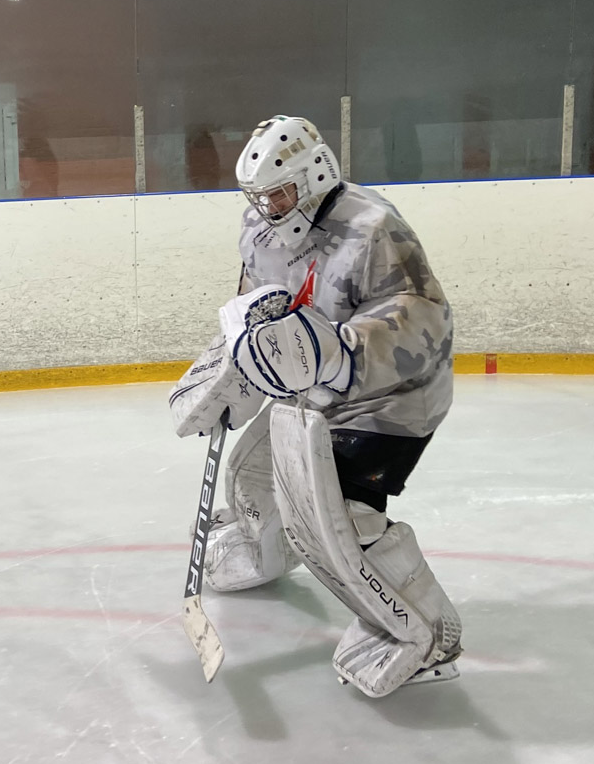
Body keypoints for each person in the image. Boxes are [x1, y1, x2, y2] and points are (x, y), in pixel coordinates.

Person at [169, 115, 462, 698]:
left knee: (341, 521)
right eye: (258, 196)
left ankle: (427, 635)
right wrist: (231, 380)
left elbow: (423, 319)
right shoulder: (260, 226)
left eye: (278, 193)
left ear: (315, 176)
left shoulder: (374, 230)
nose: (268, 207)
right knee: (254, 473)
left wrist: (338, 354)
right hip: (310, 394)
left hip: (390, 402)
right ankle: (267, 551)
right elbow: (257, 312)